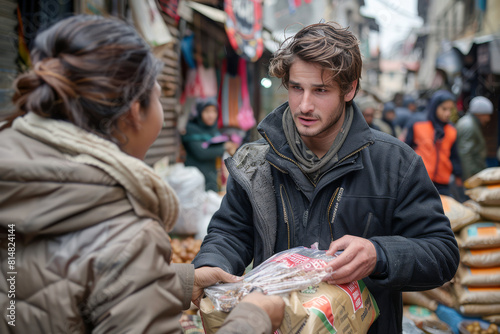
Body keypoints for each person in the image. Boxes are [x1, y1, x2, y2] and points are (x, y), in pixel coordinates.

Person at [0, 15, 284, 334]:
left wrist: (177, 281)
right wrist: (253, 318)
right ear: (136, 111)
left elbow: (52, 274)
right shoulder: (126, 232)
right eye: (159, 95)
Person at [192, 22, 459, 334]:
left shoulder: (395, 163)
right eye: (296, 88)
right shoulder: (257, 161)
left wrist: (380, 254)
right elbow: (230, 232)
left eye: (320, 90)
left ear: (350, 89)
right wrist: (211, 263)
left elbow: (441, 253)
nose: (305, 105)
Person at [405, 90, 463, 196]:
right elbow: (406, 150)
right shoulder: (418, 124)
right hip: (420, 181)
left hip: (443, 183)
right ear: (434, 106)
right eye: (444, 109)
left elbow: (454, 156)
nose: (448, 113)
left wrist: (458, 176)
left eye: (450, 109)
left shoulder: (451, 131)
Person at [182, 97, 239, 192]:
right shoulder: (192, 129)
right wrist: (224, 147)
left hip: (211, 176)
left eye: (214, 112)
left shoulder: (213, 129)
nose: (211, 115)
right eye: (207, 111)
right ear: (199, 112)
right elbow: (201, 153)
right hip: (194, 177)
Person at [456, 96, 494, 180]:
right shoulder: (469, 126)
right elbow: (465, 154)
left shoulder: (470, 123)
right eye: (486, 115)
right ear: (479, 113)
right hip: (472, 174)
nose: (488, 119)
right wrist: (469, 179)